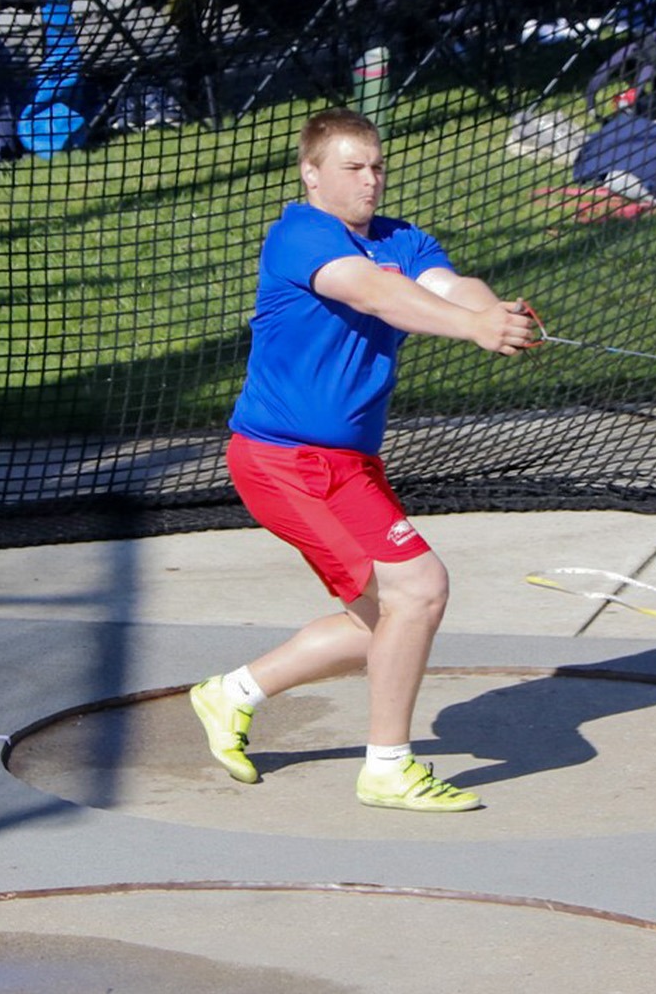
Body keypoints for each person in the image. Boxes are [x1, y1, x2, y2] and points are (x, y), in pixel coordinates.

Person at [189, 107, 538, 812]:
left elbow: (445, 284)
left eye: (377, 166)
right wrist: (472, 328)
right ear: (311, 172)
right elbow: (377, 293)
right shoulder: (300, 237)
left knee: (392, 618)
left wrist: (491, 308)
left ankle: (232, 694)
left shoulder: (399, 238)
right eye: (353, 167)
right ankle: (387, 768)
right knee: (419, 591)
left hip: (347, 466)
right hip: (282, 462)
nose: (371, 180)